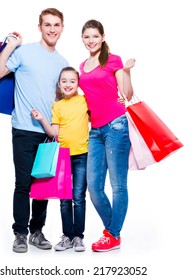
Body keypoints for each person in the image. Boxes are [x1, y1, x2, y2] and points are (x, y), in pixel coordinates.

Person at [0, 8, 69, 253]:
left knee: (43, 184)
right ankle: (20, 234)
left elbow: (64, 99)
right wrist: (11, 46)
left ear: (62, 28)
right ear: (40, 27)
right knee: (23, 183)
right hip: (23, 128)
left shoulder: (62, 63)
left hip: (48, 132)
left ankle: (37, 231)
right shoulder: (25, 52)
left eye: (56, 25)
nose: (52, 29)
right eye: (47, 25)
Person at [78, 19, 135, 252]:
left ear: (102, 37)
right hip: (95, 131)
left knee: (118, 185)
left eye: (94, 36)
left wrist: (128, 73)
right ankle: (113, 232)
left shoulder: (114, 60)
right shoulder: (82, 66)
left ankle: (112, 234)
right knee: (93, 187)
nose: (91, 40)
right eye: (86, 37)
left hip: (116, 126)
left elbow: (127, 94)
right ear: (82, 39)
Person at [31, 66, 89, 252]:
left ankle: (78, 237)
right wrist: (42, 120)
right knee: (65, 198)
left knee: (78, 197)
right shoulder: (57, 106)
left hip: (82, 154)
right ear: (59, 84)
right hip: (63, 156)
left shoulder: (84, 101)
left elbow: (99, 115)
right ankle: (67, 236)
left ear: (78, 83)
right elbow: (53, 132)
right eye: (64, 81)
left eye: (72, 81)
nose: (68, 84)